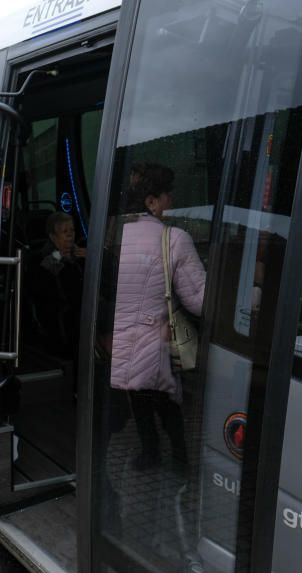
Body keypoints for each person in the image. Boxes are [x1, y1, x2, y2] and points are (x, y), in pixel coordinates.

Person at [109, 164, 206, 472]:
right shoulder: (173, 239)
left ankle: (149, 453)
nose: (171, 202)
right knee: (166, 401)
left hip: (119, 339)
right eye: (167, 195)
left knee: (136, 397)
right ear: (152, 201)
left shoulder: (113, 234)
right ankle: (180, 459)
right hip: (155, 339)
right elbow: (200, 300)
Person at [29, 212, 86, 358]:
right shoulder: (45, 261)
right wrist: (60, 257)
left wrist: (90, 256)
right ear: (53, 237)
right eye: (64, 232)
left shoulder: (80, 252)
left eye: (72, 230)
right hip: (65, 317)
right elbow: (45, 290)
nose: (70, 235)